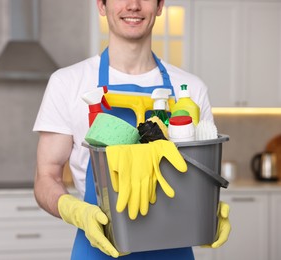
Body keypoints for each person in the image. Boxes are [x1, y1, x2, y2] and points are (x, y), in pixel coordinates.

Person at [33, 0, 230, 259]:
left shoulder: (190, 90)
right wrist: (74, 210)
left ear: (160, 6)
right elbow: (46, 176)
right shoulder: (68, 83)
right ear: (101, 6)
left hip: (174, 248)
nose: (133, 5)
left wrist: (206, 212)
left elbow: (199, 175)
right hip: (98, 248)